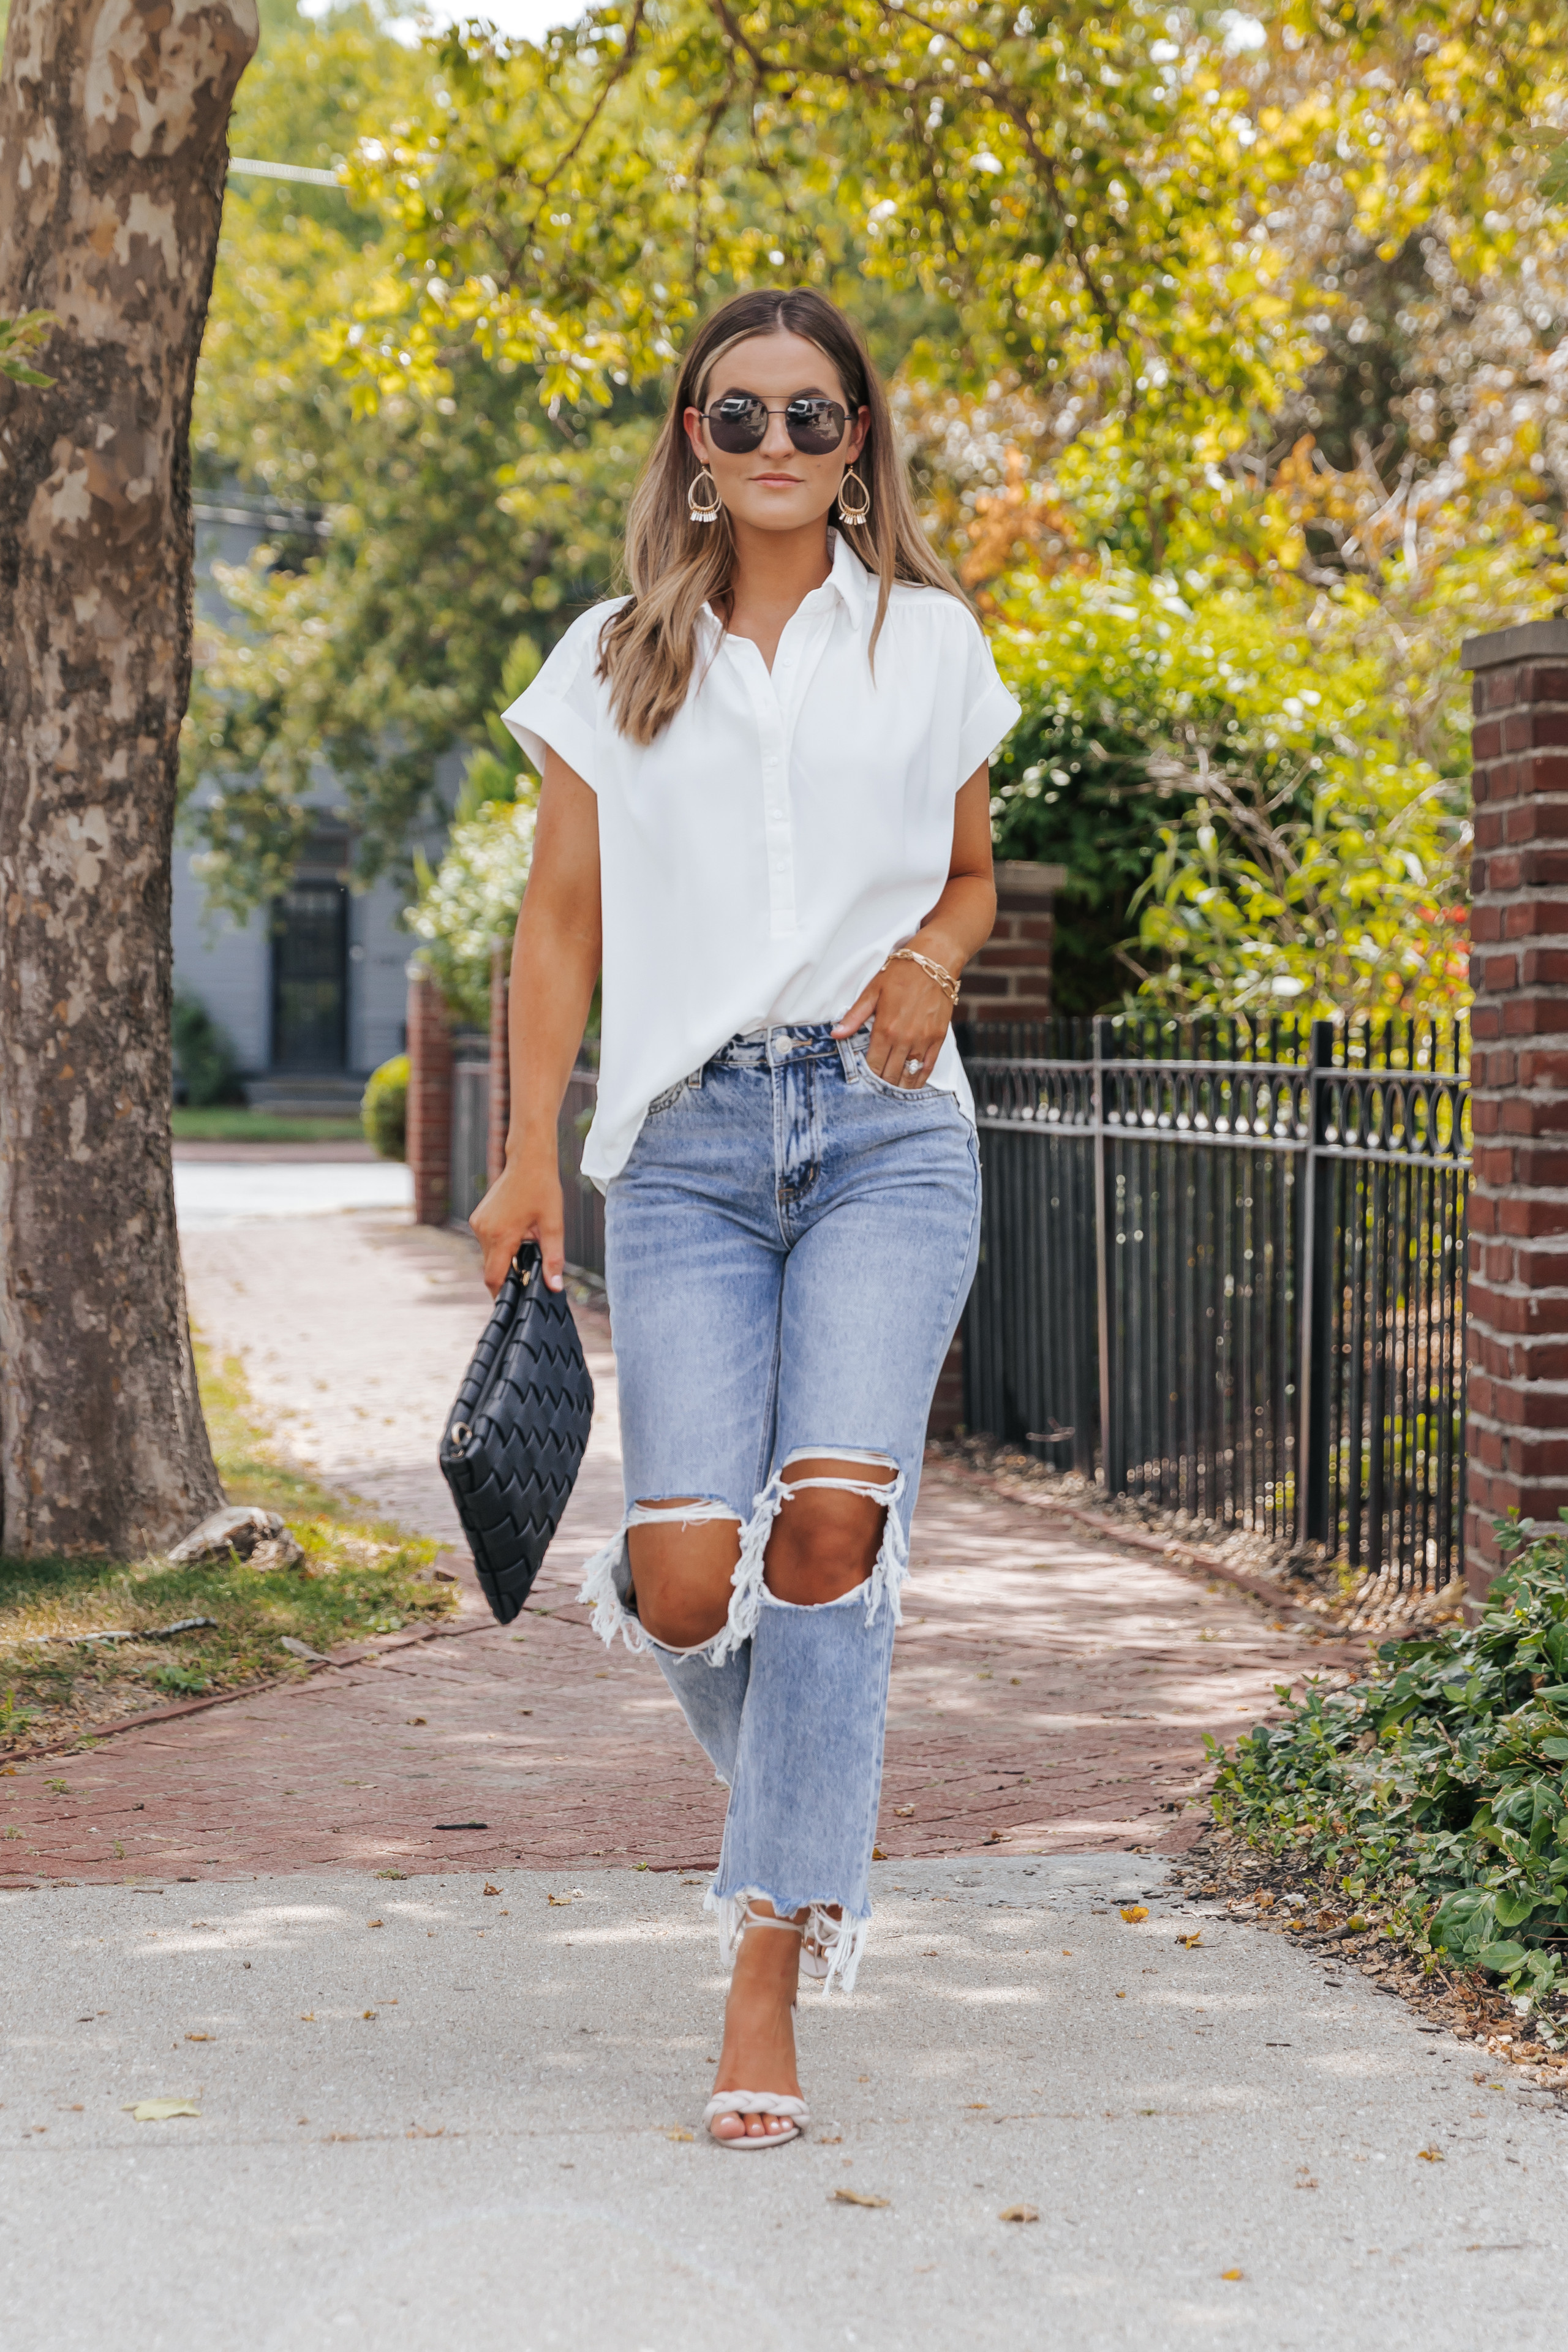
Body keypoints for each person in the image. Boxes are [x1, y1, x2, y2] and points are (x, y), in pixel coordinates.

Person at [471, 285, 1019, 2149]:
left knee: (830, 1537)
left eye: (812, 417)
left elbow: (968, 872)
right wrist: (528, 1155)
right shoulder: (615, 657)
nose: (777, 447)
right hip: (687, 1154)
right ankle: (812, 1785)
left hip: (886, 1129)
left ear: (858, 440)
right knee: (696, 1576)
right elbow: (557, 924)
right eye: (738, 418)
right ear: (690, 448)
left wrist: (938, 958)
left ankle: (768, 1960)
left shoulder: (932, 641)